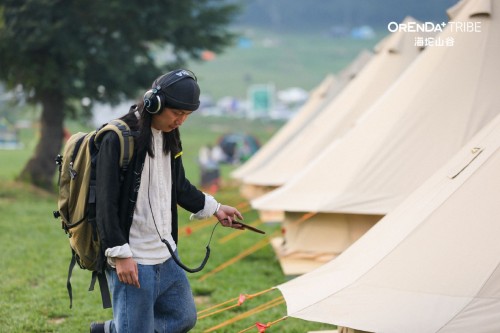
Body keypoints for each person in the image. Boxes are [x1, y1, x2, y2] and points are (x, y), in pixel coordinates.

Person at [90, 69, 244, 333]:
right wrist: (120, 254)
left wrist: (216, 208)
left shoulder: (170, 134)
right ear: (155, 103)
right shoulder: (118, 138)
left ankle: (115, 330)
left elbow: (179, 186)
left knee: (183, 317)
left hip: (166, 254)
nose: (181, 121)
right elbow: (105, 203)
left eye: (186, 115)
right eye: (177, 113)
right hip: (133, 257)